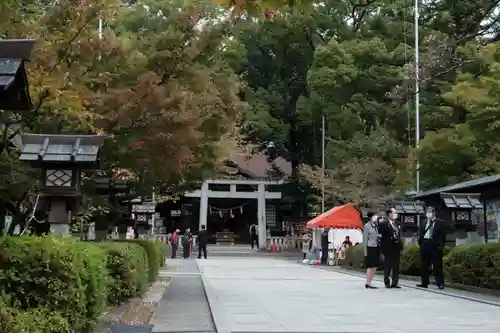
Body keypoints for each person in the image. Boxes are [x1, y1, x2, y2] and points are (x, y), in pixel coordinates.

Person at [417, 206, 446, 289]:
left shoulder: (440, 222)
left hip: (434, 245)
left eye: (430, 211)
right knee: (424, 265)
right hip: (425, 244)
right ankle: (424, 282)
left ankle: (440, 283)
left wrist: (440, 246)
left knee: (437, 265)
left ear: (434, 212)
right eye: (427, 211)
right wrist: (421, 243)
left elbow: (443, 236)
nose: (428, 213)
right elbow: (421, 233)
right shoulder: (423, 222)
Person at [380, 208, 403, 288]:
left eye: (396, 213)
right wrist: (382, 249)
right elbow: (381, 237)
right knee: (388, 266)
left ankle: (395, 283)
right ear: (389, 214)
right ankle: (387, 282)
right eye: (394, 213)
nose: (395, 214)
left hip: (396, 247)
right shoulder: (384, 224)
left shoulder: (398, 223)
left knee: (396, 266)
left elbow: (400, 235)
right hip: (388, 247)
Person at [363, 212, 381, 289]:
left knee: (375, 265)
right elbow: (364, 239)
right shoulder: (367, 226)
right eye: (375, 216)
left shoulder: (376, 225)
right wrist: (365, 251)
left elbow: (375, 235)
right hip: (370, 247)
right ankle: (368, 283)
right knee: (370, 266)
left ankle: (370, 281)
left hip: (376, 246)